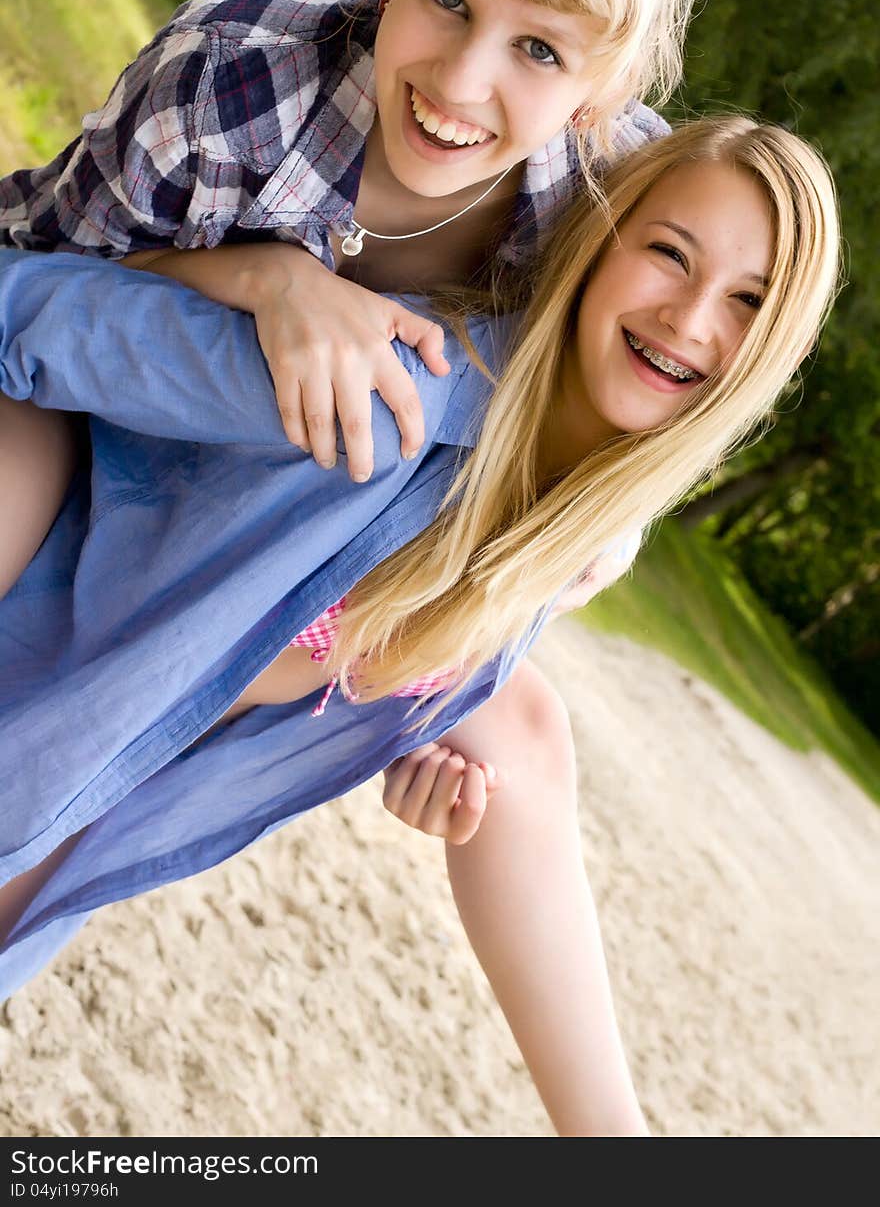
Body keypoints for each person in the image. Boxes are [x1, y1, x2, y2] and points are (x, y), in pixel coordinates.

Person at [0, 117, 840, 1135]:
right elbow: (44, 313)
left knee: (521, 731)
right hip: (48, 638)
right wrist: (259, 281)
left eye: (748, 302)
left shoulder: (550, 538)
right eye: (668, 253)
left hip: (91, 782)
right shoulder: (381, 386)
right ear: (598, 243)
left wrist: (389, 723)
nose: (691, 318)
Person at [0, 0, 695, 859]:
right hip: (82, 408)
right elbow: (36, 276)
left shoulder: (611, 212)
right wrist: (261, 275)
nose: (460, 82)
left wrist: (601, 542)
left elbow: (629, 413)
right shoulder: (233, 76)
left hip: (262, 529)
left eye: (540, 48)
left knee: (522, 732)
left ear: (607, 93)